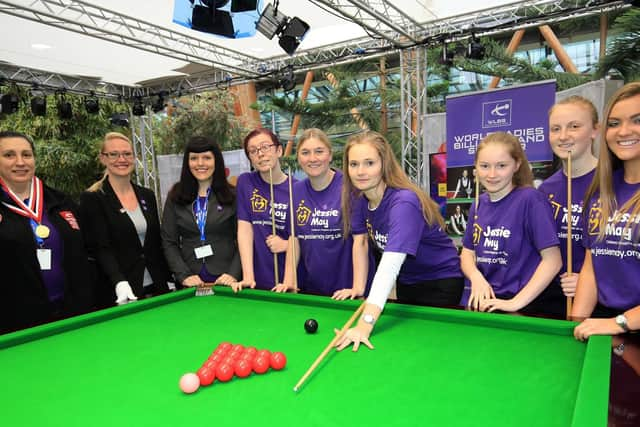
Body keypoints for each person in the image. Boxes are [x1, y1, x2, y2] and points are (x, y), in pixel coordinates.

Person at [335, 131, 463, 351]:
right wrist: (358, 287)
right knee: (407, 347)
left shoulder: (403, 202)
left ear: (384, 164)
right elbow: (361, 243)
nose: (360, 171)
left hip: (441, 283)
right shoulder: (359, 199)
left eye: (369, 163)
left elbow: (389, 266)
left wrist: (365, 324)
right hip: (408, 282)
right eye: (354, 164)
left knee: (431, 348)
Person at [0, 131, 93, 333]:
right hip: (17, 323)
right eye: (9, 155)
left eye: (26, 154)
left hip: (71, 314)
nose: (20, 162)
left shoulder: (61, 201)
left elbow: (82, 253)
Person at [460, 131, 562, 313]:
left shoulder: (531, 200)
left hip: (526, 306)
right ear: (475, 167)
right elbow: (467, 253)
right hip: (488, 303)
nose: (491, 174)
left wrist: (515, 303)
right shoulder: (478, 203)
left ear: (517, 165)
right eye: (484, 166)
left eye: (501, 166)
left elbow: (553, 261)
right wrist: (476, 277)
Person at [573, 82, 640, 340]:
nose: (624, 131)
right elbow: (592, 265)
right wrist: (577, 323)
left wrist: (620, 322)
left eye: (637, 120)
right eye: (614, 123)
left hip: (622, 325)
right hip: (606, 327)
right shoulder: (602, 190)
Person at [274, 128, 373, 298]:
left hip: (349, 290)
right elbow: (294, 239)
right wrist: (289, 281)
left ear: (330, 155)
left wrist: (358, 288)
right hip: (313, 289)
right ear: (298, 157)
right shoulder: (296, 190)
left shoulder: (350, 187)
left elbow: (361, 240)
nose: (312, 158)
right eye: (305, 152)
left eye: (319, 151)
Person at [79, 132, 170, 307]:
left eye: (127, 154)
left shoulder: (147, 195)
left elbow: (155, 241)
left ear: (134, 158)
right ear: (103, 158)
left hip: (156, 287)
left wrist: (168, 276)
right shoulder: (93, 198)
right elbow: (100, 247)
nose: (122, 159)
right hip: (121, 292)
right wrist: (118, 281)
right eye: (114, 154)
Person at [537, 96, 599, 317]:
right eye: (555, 129)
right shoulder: (545, 190)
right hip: (553, 299)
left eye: (574, 126)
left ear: (594, 130)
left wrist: (589, 281)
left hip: (602, 305)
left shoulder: (614, 183)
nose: (563, 136)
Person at [161, 136, 241, 288]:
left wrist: (233, 273)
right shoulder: (175, 196)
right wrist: (183, 276)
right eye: (194, 158)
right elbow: (169, 241)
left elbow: (245, 239)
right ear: (187, 163)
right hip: (190, 281)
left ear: (216, 161)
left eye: (207, 158)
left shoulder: (233, 195)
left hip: (226, 280)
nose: (200, 163)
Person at [235, 128, 296, 291]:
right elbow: (245, 228)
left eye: (265, 147)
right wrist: (248, 276)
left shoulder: (297, 189)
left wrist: (287, 245)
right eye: (253, 151)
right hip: (258, 279)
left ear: (279, 150)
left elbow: (308, 237)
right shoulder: (245, 182)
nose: (260, 154)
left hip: (289, 280)